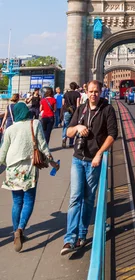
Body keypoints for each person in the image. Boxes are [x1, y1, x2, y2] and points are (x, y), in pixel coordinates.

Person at [61, 80, 118, 255]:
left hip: (93, 160)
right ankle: (70, 238)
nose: (93, 94)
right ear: (86, 91)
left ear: (101, 92)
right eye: (91, 91)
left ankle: (82, 234)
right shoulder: (82, 109)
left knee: (87, 199)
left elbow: (112, 135)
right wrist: (77, 126)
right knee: (75, 197)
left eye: (96, 91)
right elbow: (69, 131)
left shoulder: (107, 109)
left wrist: (100, 153)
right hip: (78, 159)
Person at [0, 102, 59, 252]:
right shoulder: (35, 123)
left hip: (13, 169)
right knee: (28, 200)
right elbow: (43, 146)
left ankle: (15, 232)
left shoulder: (10, 129)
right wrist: (52, 162)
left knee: (17, 201)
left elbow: (2, 153)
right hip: (29, 168)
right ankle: (20, 229)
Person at [62, 82, 81, 148]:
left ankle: (64, 138)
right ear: (76, 87)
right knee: (72, 127)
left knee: (65, 126)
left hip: (67, 111)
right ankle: (71, 143)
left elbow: (63, 103)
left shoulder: (66, 94)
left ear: (70, 87)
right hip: (74, 112)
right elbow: (78, 104)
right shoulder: (77, 94)